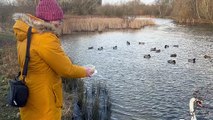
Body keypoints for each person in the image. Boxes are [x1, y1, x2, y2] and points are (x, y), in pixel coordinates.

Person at [13, 0, 95, 119]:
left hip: (29, 95)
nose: (61, 23)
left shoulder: (26, 34)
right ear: (49, 19)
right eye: (58, 19)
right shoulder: (45, 38)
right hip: (44, 102)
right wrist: (86, 72)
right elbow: (66, 69)